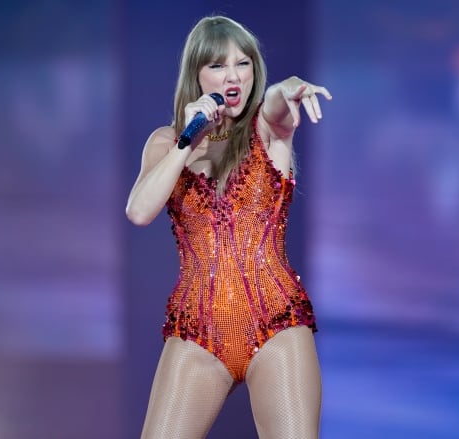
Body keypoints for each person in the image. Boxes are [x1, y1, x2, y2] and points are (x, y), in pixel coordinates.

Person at [125, 15, 332, 439]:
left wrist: (289, 87)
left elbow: (276, 100)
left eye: (244, 63)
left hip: (275, 324)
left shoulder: (266, 128)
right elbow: (140, 211)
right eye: (218, 65)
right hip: (198, 332)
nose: (233, 75)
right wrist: (189, 139)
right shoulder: (167, 141)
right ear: (197, 74)